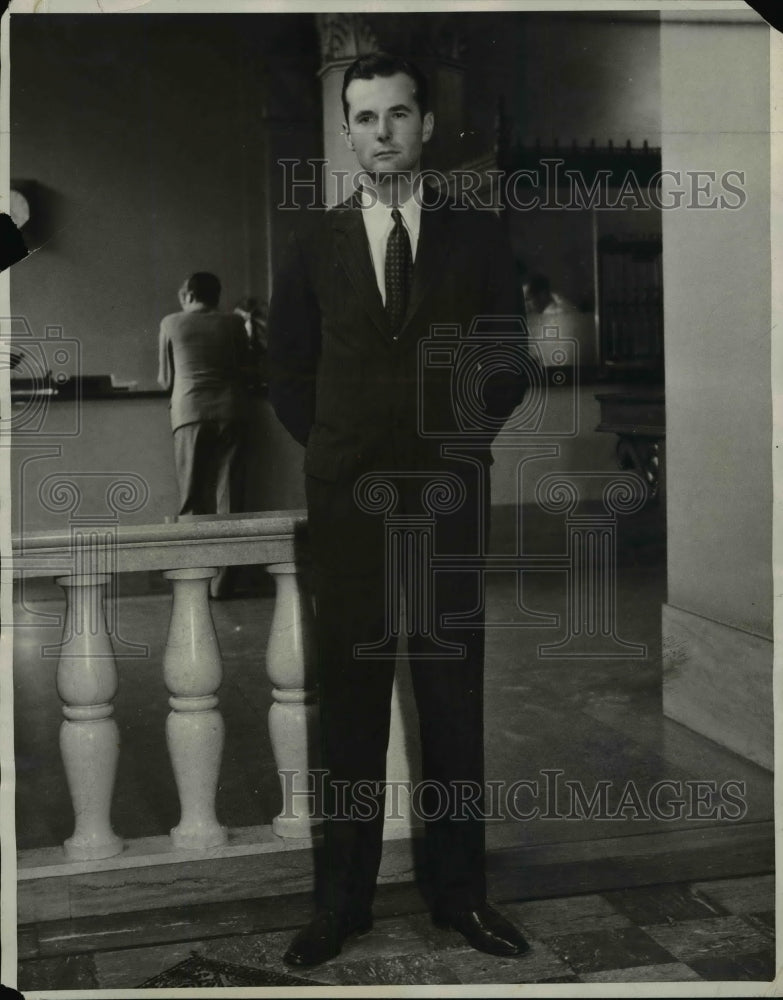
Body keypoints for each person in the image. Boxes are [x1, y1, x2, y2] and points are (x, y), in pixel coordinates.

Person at [268, 53, 531, 967]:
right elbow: (288, 375)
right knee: (348, 711)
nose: (382, 132)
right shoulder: (311, 246)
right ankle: (340, 907)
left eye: (398, 114)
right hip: (348, 513)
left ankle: (462, 898)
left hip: (448, 507)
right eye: (365, 116)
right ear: (347, 130)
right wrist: (344, 457)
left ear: (426, 125)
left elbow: (507, 361)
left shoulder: (479, 236)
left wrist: (450, 447)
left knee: (451, 709)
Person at [158, 272, 250, 597]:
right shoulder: (235, 324)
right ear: (216, 295)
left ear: (189, 293)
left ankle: (195, 578)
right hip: (231, 411)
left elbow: (164, 379)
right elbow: (246, 368)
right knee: (230, 500)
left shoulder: (171, 323)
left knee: (192, 499)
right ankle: (224, 585)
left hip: (189, 413)